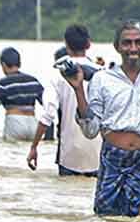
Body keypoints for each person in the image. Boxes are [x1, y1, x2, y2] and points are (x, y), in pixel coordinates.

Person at [85, 20, 140, 217]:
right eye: (127, 43)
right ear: (117, 47)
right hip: (113, 158)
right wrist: (78, 88)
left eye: (139, 42)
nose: (133, 48)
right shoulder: (102, 79)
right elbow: (90, 129)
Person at [27, 26, 101, 175]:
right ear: (88, 44)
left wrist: (34, 147)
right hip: (98, 155)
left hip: (69, 155)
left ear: (66, 45)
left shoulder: (56, 74)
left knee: (66, 195)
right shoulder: (102, 73)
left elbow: (48, 115)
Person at [0, 47, 43, 142]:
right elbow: (47, 104)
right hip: (33, 124)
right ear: (19, 63)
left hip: (14, 123)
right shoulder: (33, 81)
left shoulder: (2, 84)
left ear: (3, 64)